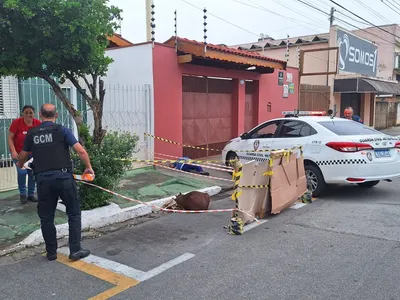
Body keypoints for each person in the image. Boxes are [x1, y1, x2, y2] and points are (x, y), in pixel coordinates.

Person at [17, 104, 95, 262]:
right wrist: (88, 167)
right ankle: (75, 250)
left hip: (43, 181)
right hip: (64, 178)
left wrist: (21, 164)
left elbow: (22, 156)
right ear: (56, 115)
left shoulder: (32, 133)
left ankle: (51, 252)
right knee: (73, 213)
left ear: (40, 115)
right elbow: (81, 150)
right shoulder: (62, 130)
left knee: (46, 217)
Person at [8, 105, 41, 204]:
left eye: (30, 112)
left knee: (32, 174)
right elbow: (10, 138)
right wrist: (13, 151)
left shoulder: (37, 123)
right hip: (19, 154)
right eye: (26, 112)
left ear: (34, 114)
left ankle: (31, 194)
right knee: (22, 173)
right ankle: (23, 193)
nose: (28, 114)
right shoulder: (16, 123)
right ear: (22, 113)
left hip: (33, 154)